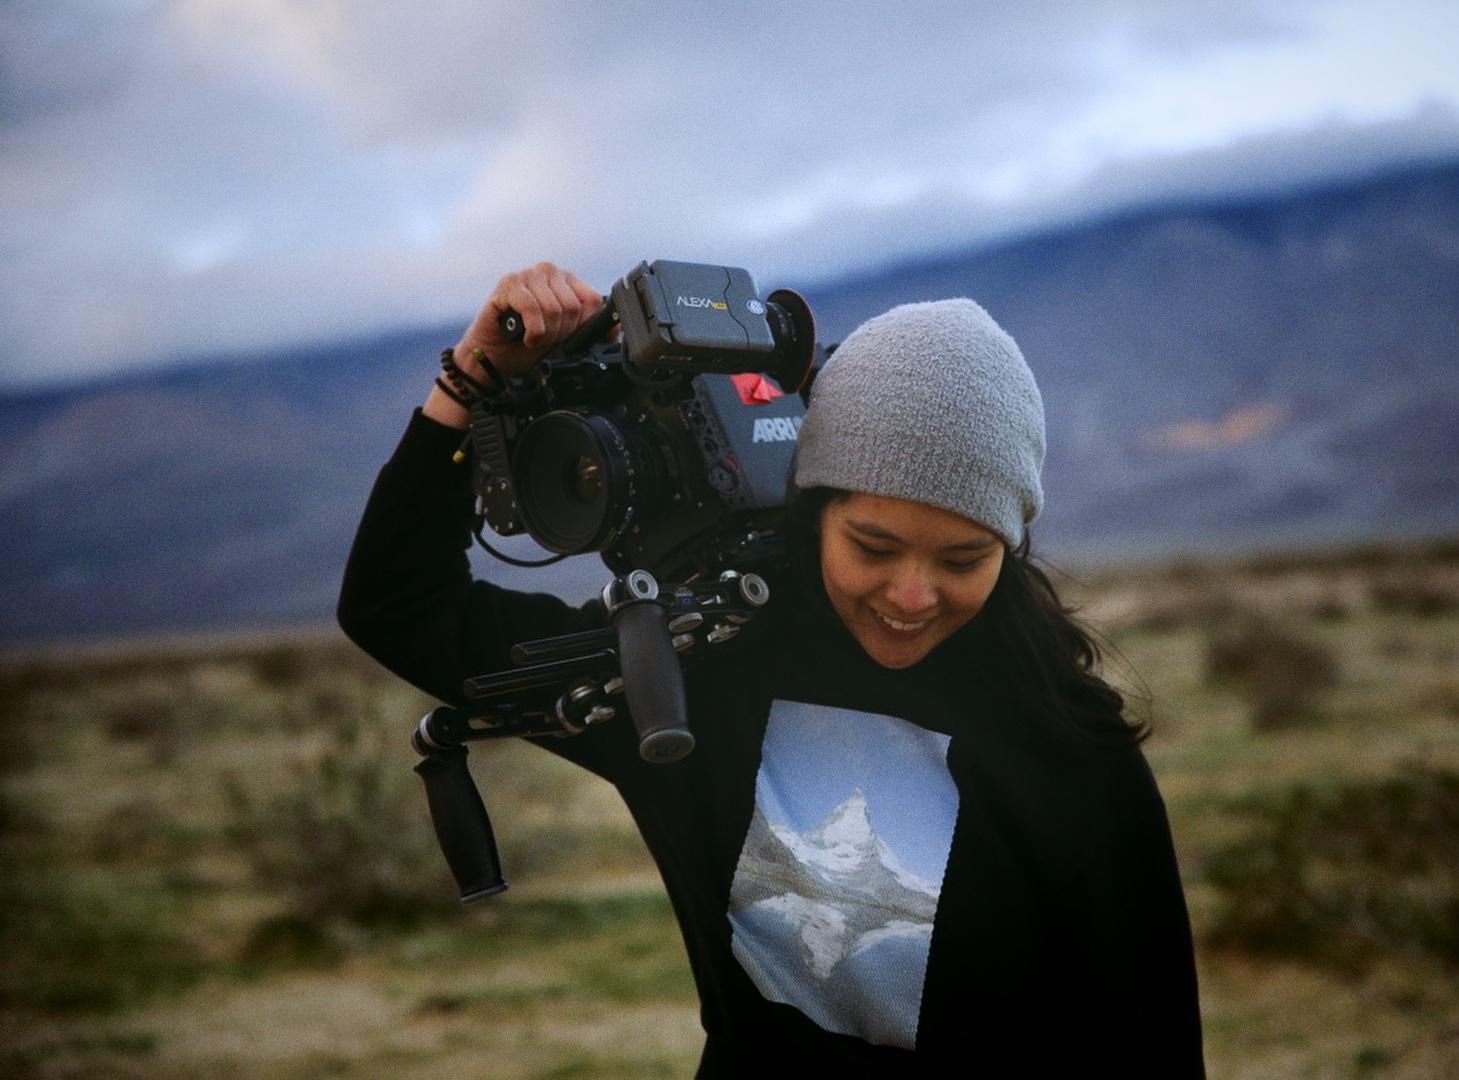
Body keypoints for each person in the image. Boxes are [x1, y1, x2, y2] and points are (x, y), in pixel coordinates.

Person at [338, 261, 1205, 1076]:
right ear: (814, 511)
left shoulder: (1070, 749)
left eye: (963, 559)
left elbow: (1148, 1046)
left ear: (1011, 550)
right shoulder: (686, 675)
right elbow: (398, 605)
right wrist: (472, 376)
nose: (911, 592)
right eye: (873, 545)